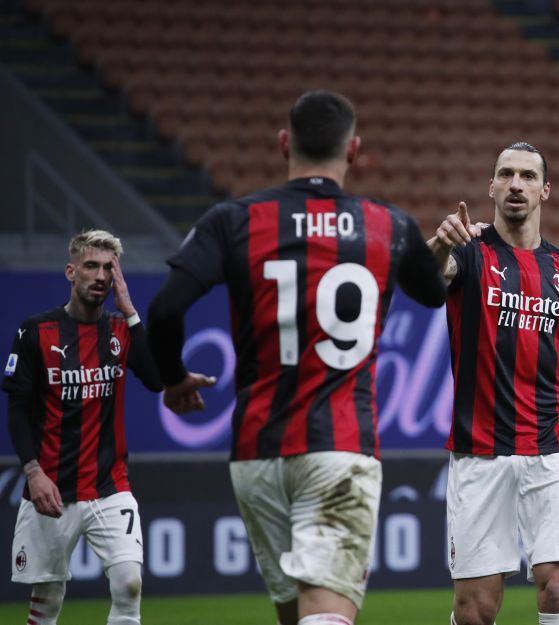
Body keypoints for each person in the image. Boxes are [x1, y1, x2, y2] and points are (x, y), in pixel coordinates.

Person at [145, 91, 447, 625]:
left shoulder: (233, 220)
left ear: (284, 142)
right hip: (340, 451)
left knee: (298, 617)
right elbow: (433, 293)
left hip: (257, 455)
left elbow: (166, 310)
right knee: (325, 616)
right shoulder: (388, 226)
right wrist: (440, 248)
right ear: (353, 150)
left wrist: (171, 379)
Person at [428, 142, 559, 625]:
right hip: (480, 453)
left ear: (545, 190)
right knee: (475, 610)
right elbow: (428, 281)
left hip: (554, 451)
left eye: (528, 176)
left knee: (557, 587)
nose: (517, 184)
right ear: (491, 186)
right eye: (506, 174)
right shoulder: (468, 254)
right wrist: (440, 245)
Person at [4, 230, 162, 625]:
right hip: (52, 487)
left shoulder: (121, 330)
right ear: (70, 272)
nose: (101, 275)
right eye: (91, 266)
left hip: (110, 485)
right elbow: (18, 410)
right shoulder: (36, 331)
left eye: (109, 267)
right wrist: (33, 472)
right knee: (49, 598)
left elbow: (157, 380)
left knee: (129, 584)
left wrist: (130, 310)